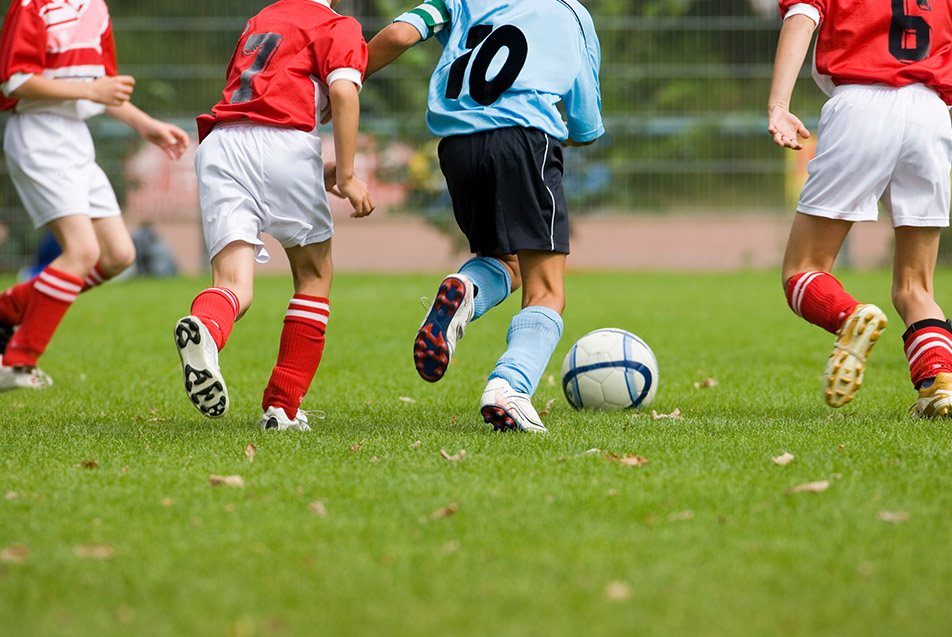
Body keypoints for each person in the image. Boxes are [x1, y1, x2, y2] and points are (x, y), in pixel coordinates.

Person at [366, 0, 604, 432]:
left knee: (504, 262)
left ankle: (466, 286)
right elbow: (584, 128)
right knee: (547, 289)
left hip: (457, 145)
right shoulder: (571, 13)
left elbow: (400, 34)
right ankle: (509, 387)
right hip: (524, 138)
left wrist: (346, 79)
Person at [174, 0, 374, 430]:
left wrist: (316, 173)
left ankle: (206, 328)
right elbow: (342, 92)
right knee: (314, 276)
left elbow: (257, 106)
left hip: (221, 144)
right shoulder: (339, 25)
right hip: (286, 143)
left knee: (232, 285)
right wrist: (349, 173)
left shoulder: (261, 19)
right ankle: (282, 408)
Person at [768, 0, 952, 416]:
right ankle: (940, 383)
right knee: (916, 287)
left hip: (860, 104)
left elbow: (801, 19)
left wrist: (778, 103)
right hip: (932, 113)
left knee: (803, 269)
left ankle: (850, 316)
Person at [0, 0, 189, 391]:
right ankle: (15, 362)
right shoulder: (33, 6)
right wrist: (91, 89)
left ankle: (11, 307)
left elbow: (105, 88)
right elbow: (14, 81)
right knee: (81, 252)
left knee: (119, 255)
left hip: (75, 137)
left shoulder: (97, 8)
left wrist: (146, 125)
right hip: (38, 134)